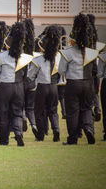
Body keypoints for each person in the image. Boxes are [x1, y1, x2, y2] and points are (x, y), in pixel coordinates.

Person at [59, 13, 97, 145]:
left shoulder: (68, 51)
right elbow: (95, 69)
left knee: (72, 111)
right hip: (88, 83)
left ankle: (73, 138)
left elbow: (61, 70)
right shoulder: (91, 51)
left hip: (73, 83)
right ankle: (88, 128)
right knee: (87, 108)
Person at [0, 22, 32, 146]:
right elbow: (27, 74)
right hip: (19, 87)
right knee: (17, 113)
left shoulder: (1, 56)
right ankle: (18, 132)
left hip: (5, 87)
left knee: (4, 113)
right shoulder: (24, 57)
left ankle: (4, 140)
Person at [28, 25, 61, 142]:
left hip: (42, 87)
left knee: (39, 111)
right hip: (54, 87)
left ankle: (40, 135)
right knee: (53, 111)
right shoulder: (57, 58)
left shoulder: (38, 60)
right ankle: (56, 129)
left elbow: (30, 75)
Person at [22, 19, 39, 138]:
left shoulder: (20, 53)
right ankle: (33, 124)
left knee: (20, 106)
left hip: (22, 83)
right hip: (32, 83)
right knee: (30, 108)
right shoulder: (35, 54)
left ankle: (22, 119)